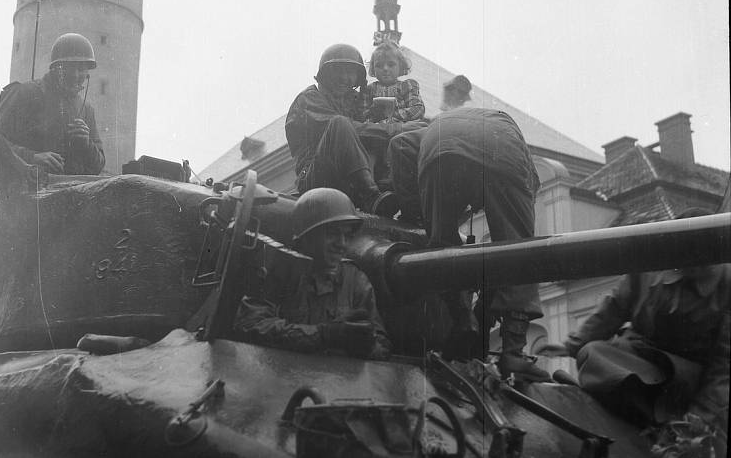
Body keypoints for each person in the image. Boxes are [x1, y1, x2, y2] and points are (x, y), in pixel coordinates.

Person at [388, 106, 550, 382]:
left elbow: (398, 144)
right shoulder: (524, 175)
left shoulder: (424, 130)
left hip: (438, 147)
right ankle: (514, 353)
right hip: (500, 146)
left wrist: (416, 212)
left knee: (441, 247)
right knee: (520, 252)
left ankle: (463, 322)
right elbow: (514, 260)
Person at [542, 209, 730, 429]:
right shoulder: (651, 265)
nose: (692, 265)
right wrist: (573, 344)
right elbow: (616, 306)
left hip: (684, 378)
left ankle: (655, 416)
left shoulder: (726, 285)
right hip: (636, 357)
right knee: (593, 352)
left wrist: (697, 419)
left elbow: (724, 365)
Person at [234, 188, 391, 359]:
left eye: (347, 235)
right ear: (306, 236)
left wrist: (365, 346)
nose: (342, 244)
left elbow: (381, 345)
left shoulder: (355, 280)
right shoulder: (278, 271)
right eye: (332, 234)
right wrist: (324, 335)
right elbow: (251, 324)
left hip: (339, 381)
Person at [285, 43, 422, 217]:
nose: (345, 77)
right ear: (325, 74)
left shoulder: (357, 101)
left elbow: (374, 129)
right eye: (338, 71)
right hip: (316, 180)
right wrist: (396, 128)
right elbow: (350, 129)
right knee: (340, 124)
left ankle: (410, 205)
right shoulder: (309, 98)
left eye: (350, 72)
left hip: (349, 183)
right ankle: (371, 196)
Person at [0, 33, 105, 176]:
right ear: (56, 68)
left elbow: (98, 166)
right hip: (29, 190)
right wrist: (32, 157)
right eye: (70, 68)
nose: (76, 75)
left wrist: (87, 144)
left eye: (82, 69)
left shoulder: (86, 110)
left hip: (73, 193)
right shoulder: (26, 93)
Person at [363, 41, 426, 123]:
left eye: (391, 64)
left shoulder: (407, 85)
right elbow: (362, 114)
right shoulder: (369, 89)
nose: (385, 68)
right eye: (379, 65)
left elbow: (418, 109)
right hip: (376, 130)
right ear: (373, 69)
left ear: (401, 66)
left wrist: (391, 115)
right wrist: (372, 113)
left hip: (401, 129)